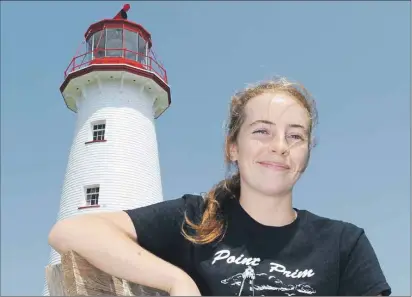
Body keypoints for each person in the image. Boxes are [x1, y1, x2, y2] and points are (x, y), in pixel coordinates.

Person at [48, 77, 391, 296]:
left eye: (295, 136)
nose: (280, 146)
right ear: (232, 147)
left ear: (307, 151)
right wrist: (176, 281)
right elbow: (71, 232)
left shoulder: (345, 243)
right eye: (262, 131)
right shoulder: (196, 220)